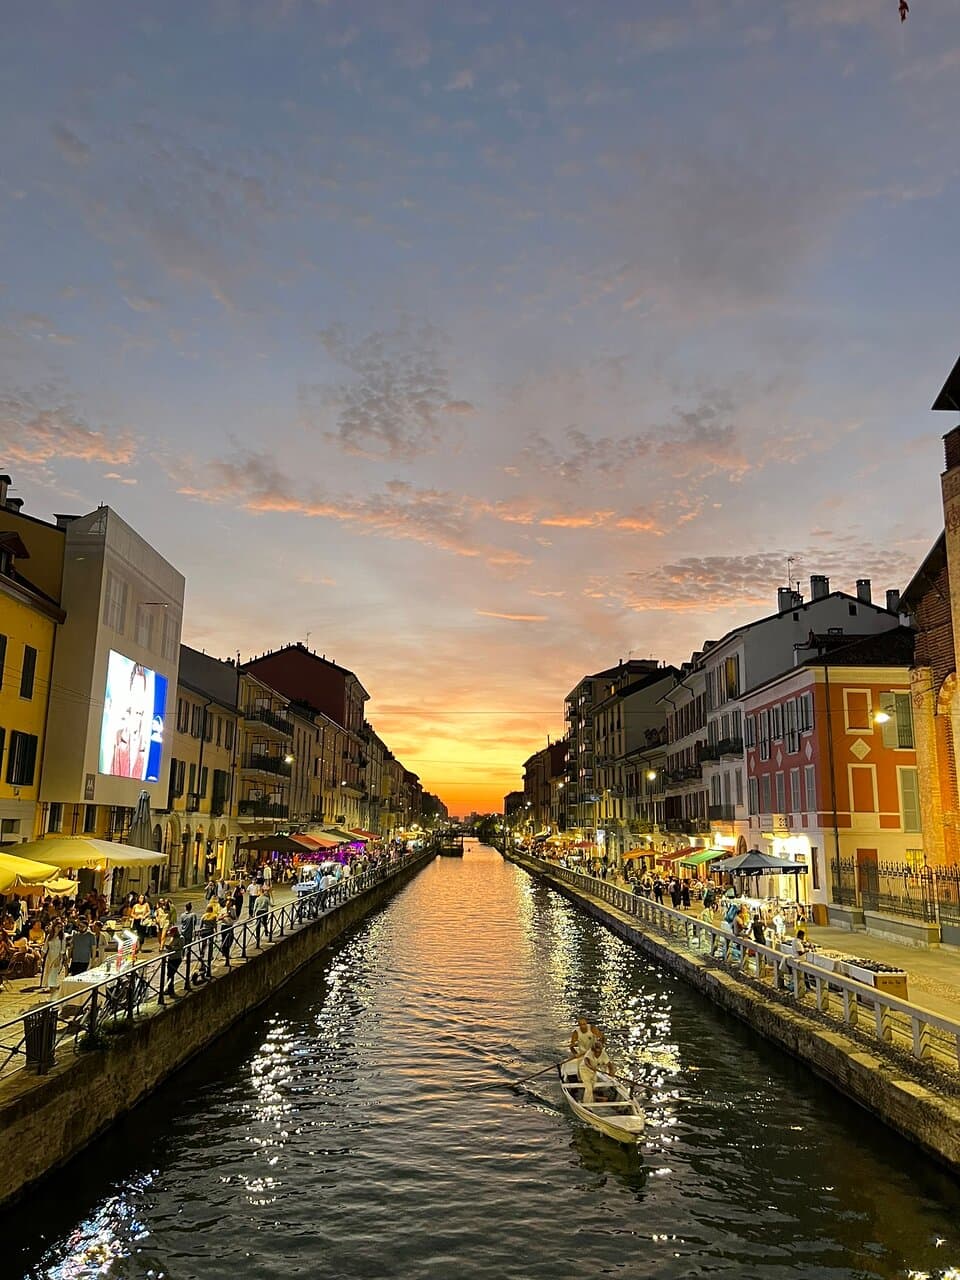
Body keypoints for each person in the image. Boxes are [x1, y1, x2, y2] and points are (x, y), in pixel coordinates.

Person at [40, 920, 65, 994]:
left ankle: (52, 989)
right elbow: (45, 948)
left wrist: (59, 959)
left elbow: (62, 949)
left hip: (57, 956)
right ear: (54, 927)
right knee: (48, 972)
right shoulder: (49, 936)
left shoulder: (62, 937)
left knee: (53, 973)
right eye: (58, 927)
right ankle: (50, 989)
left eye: (61, 927)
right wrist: (41, 958)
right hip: (49, 956)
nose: (59, 929)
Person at [198, 901, 219, 980]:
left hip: (203, 932)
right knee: (210, 944)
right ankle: (210, 956)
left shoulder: (203, 916)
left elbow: (200, 925)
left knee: (203, 944)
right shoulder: (214, 916)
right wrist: (216, 932)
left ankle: (202, 955)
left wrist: (200, 931)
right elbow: (215, 925)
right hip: (210, 931)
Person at [163, 926, 184, 996]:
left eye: (171, 933)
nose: (170, 934)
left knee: (171, 974)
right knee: (169, 974)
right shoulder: (172, 938)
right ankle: (169, 989)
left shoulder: (181, 938)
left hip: (176, 958)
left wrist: (172, 947)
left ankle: (171, 990)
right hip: (170, 958)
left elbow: (181, 947)